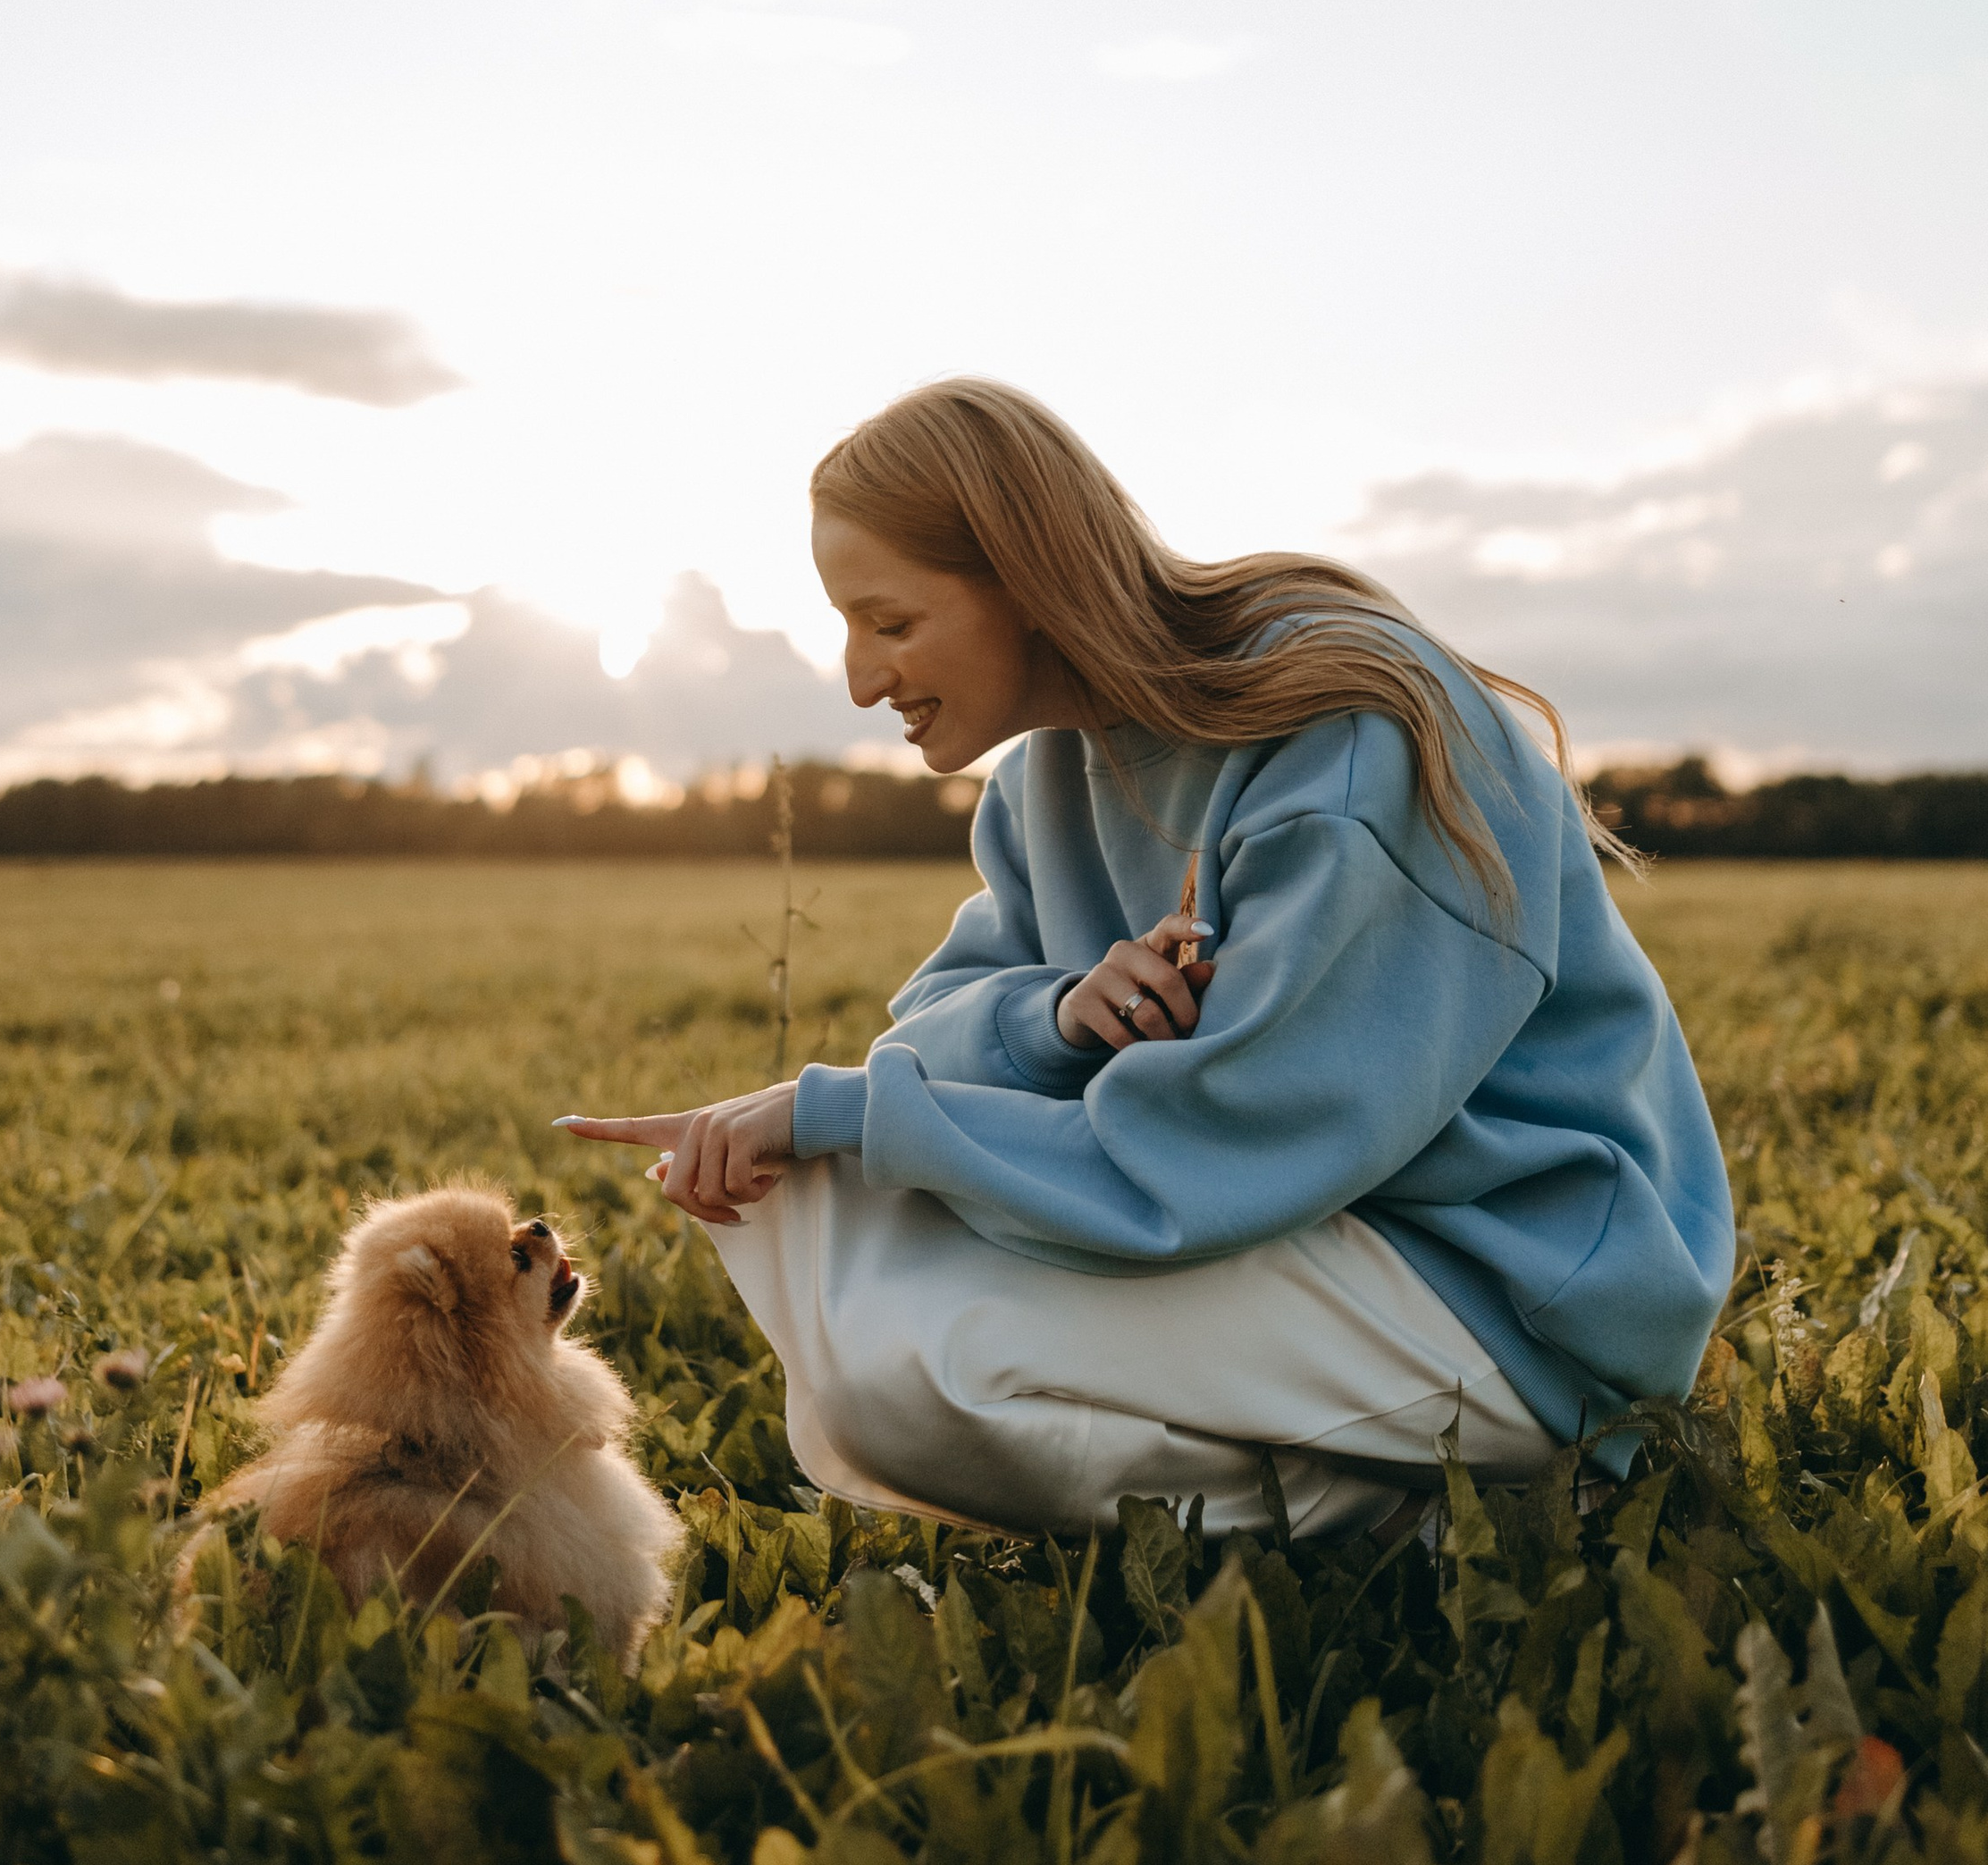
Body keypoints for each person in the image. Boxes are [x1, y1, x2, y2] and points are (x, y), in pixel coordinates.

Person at [564, 380, 1734, 1541]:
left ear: (1021, 582)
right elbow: (926, 1029)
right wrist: (1062, 1014)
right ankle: (1386, 1511)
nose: (864, 681)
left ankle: (1495, 1510)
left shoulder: (1342, 734)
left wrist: (839, 1115)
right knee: (841, 1234)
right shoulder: (1045, 784)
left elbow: (1212, 1148)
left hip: (1514, 1294)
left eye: (891, 622)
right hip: (1313, 1233)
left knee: (905, 1374)